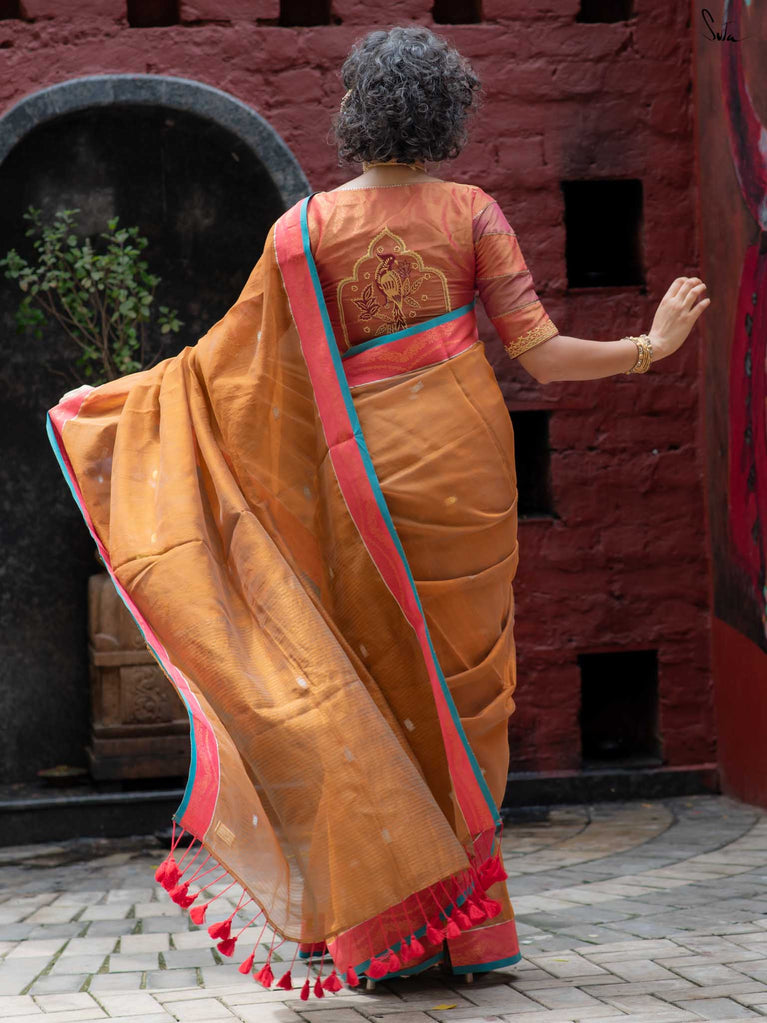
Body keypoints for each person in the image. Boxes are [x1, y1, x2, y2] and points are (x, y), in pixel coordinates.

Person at [46, 24, 710, 1002]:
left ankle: (386, 933)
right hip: (467, 472)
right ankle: (465, 927)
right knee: (467, 692)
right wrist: (647, 347)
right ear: (445, 112)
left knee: (369, 680)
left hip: (362, 483)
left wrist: (115, 411)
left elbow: (224, 374)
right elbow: (539, 354)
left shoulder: (301, 232)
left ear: (357, 109)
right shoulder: (473, 213)